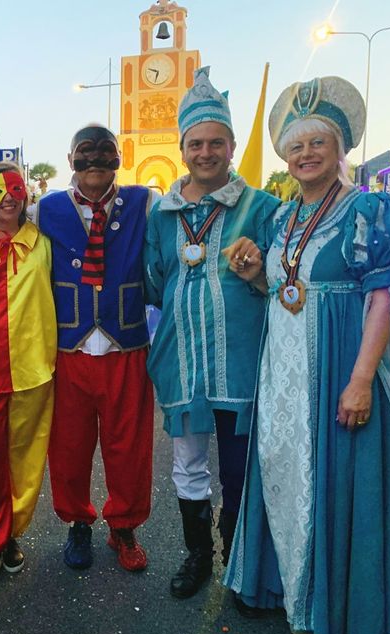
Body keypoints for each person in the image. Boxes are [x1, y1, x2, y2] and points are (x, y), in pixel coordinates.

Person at [223, 76, 390, 634]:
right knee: (282, 464)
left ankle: (334, 610)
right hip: (284, 364)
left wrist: (361, 379)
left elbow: (382, 299)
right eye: (296, 145)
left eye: (318, 143)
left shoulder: (368, 211)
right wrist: (254, 271)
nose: (305, 154)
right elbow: (282, 290)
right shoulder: (282, 219)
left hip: (338, 360)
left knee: (333, 475)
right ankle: (283, 587)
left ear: (340, 149)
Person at [143, 66, 280, 601]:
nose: (206, 152)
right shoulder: (163, 214)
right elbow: (156, 279)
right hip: (182, 358)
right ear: (183, 148)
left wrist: (259, 274)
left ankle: (241, 565)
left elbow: (286, 283)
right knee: (188, 463)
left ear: (230, 145)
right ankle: (199, 554)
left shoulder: (264, 208)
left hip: (242, 360)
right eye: (196, 143)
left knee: (242, 466)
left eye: (215, 142)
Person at [36, 123, 156, 572]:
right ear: (70, 161)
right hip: (69, 349)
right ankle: (78, 524)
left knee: (129, 446)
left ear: (118, 159)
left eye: (105, 155)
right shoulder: (44, 210)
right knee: (68, 446)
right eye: (85, 155)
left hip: (126, 346)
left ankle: (123, 526)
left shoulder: (145, 202)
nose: (95, 164)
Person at [0, 162, 57, 591]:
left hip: (33, 368)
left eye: (15, 189)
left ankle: (10, 536)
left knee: (24, 460)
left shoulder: (41, 244)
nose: (8, 198)